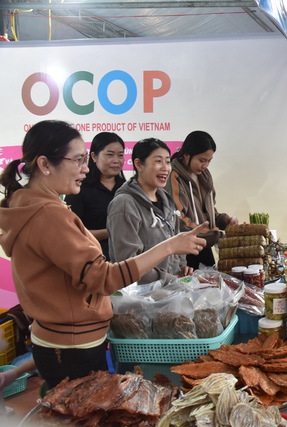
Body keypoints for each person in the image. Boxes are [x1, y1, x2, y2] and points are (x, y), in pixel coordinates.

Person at [0, 120, 206, 389]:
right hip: (74, 350)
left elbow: (59, 300)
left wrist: (17, 372)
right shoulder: (50, 215)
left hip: (61, 345)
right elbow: (103, 277)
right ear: (44, 164)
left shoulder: (30, 206)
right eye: (78, 160)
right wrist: (168, 246)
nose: (86, 169)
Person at [108, 137, 194, 284]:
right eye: (158, 161)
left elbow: (175, 242)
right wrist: (171, 279)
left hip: (170, 293)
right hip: (141, 300)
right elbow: (127, 265)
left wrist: (182, 269)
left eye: (167, 161)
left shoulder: (167, 201)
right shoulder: (124, 204)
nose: (165, 168)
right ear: (139, 164)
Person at [167, 130, 235, 269]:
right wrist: (213, 235)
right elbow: (178, 221)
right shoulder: (174, 177)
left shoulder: (204, 176)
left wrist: (223, 220)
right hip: (184, 252)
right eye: (201, 160)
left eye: (209, 161)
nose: (205, 166)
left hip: (205, 247)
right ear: (186, 155)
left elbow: (207, 211)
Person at [64, 132, 126, 260]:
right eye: (110, 155)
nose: (116, 160)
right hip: (93, 260)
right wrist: (110, 232)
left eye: (120, 155)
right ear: (94, 156)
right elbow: (73, 233)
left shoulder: (128, 188)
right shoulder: (79, 189)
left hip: (126, 258)